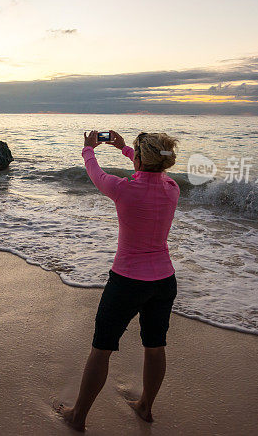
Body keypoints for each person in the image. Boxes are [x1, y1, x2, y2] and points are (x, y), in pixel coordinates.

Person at [56, 129, 180, 431]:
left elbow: (95, 172)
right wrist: (125, 148)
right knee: (155, 346)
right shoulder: (173, 188)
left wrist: (89, 148)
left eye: (135, 153)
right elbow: (149, 171)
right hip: (164, 281)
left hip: (127, 281)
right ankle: (145, 407)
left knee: (102, 348)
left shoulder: (123, 189)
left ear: (140, 158)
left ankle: (78, 417)